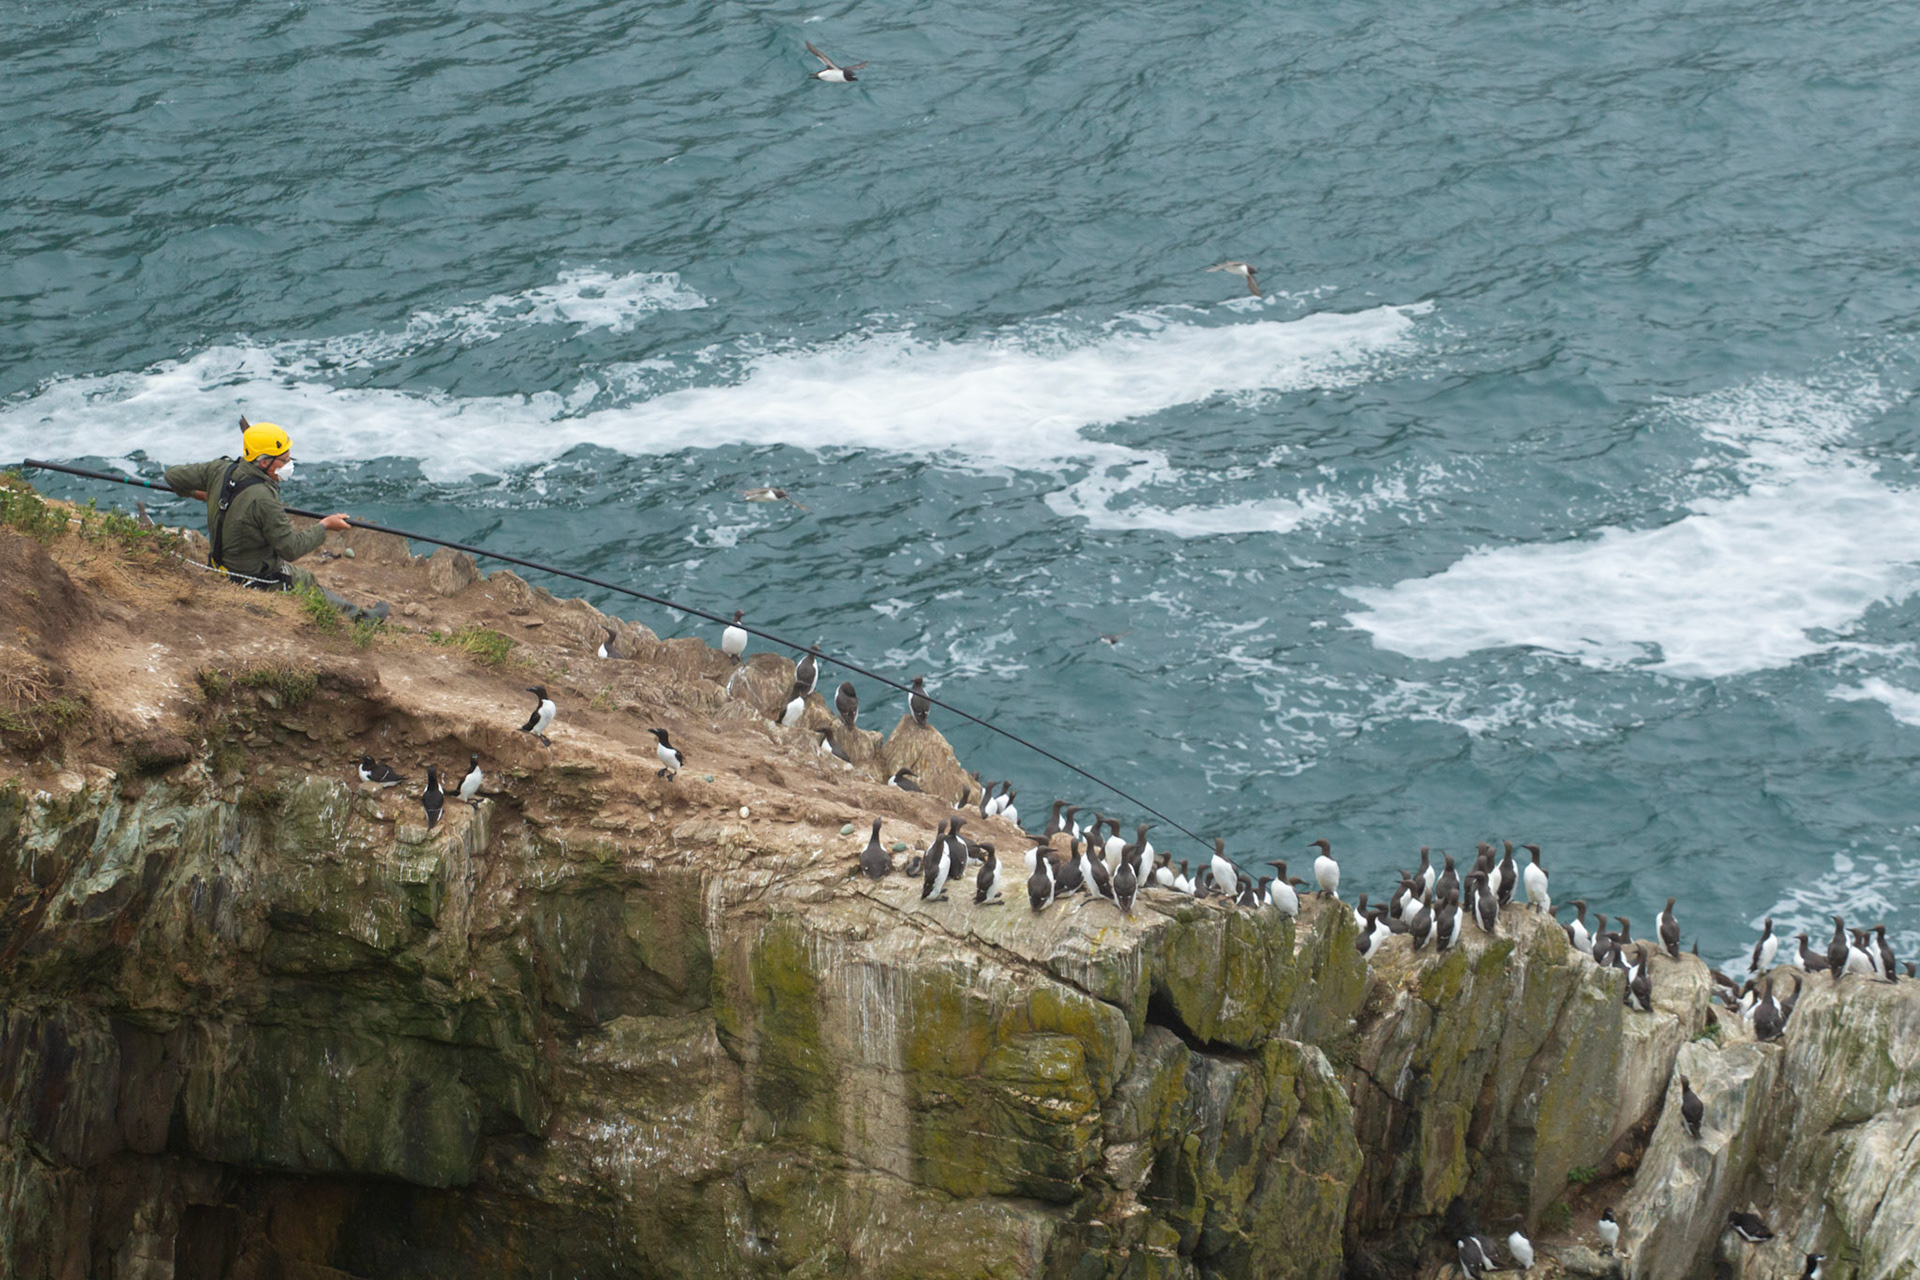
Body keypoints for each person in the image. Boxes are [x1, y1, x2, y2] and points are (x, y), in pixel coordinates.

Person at [164, 418, 352, 590]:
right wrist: (325, 526)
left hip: (217, 567)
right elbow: (291, 548)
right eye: (284, 460)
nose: (289, 465)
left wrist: (199, 494)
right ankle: (360, 618)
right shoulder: (263, 498)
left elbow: (172, 476)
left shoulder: (219, 469)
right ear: (263, 462)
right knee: (305, 579)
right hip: (251, 579)